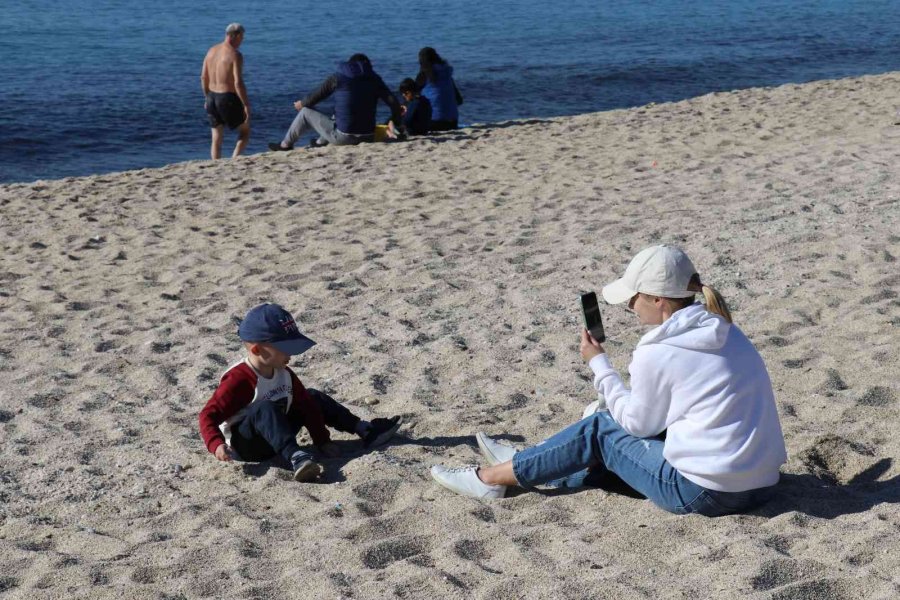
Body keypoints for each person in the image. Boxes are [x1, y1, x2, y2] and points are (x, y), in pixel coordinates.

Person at [431, 245, 788, 516]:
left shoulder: (658, 350)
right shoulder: (726, 329)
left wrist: (600, 365)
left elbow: (636, 423)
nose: (629, 306)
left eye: (633, 299)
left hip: (705, 493)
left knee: (599, 428)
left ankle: (489, 480)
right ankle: (526, 464)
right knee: (609, 447)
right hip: (763, 484)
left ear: (657, 299)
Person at [199, 303, 402, 481]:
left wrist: (322, 440)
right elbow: (208, 415)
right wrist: (216, 444)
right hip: (247, 446)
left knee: (311, 396)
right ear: (257, 350)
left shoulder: (284, 372)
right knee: (264, 408)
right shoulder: (239, 379)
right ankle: (296, 456)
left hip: (277, 435)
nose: (290, 354)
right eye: (284, 348)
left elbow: (308, 407)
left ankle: (364, 429)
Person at [269, 54, 404, 151]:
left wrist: (301, 104)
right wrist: (394, 120)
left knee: (305, 113)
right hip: (368, 135)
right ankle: (320, 143)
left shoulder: (338, 78)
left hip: (344, 138)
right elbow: (393, 103)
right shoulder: (375, 79)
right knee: (340, 114)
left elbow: (316, 96)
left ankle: (285, 145)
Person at [201, 23, 251, 159]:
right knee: (245, 131)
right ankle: (235, 159)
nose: (242, 41)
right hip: (227, 97)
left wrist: (206, 97)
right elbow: (238, 82)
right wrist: (246, 104)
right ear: (237, 36)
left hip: (211, 96)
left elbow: (203, 77)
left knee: (216, 137)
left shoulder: (211, 51)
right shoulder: (235, 55)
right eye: (242, 37)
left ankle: (215, 164)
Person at [415, 47, 462, 131]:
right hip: (453, 122)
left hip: (434, 122)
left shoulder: (424, 74)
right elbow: (459, 100)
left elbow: (413, 94)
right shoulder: (447, 73)